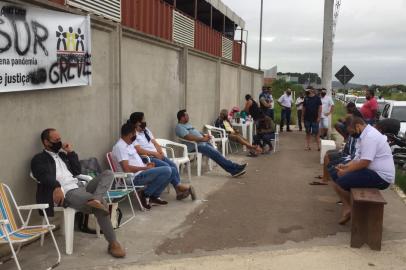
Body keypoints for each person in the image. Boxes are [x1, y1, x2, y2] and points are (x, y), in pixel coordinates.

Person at [31, 129, 126, 258]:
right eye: (56, 140)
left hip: (80, 186)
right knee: (101, 206)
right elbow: (42, 175)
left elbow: (77, 170)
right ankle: (113, 243)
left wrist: (70, 152)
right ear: (46, 142)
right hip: (67, 192)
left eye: (60, 139)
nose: (60, 142)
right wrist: (56, 186)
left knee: (108, 173)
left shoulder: (63, 155)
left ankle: (96, 200)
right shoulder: (39, 159)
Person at [330, 116, 395, 225]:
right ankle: (348, 206)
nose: (351, 134)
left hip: (381, 177)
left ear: (358, 126)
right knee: (334, 174)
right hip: (370, 171)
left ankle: (351, 208)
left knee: (341, 181)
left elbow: (364, 162)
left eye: (351, 132)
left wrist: (346, 172)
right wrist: (345, 167)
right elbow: (357, 159)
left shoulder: (370, 137)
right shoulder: (363, 136)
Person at [128, 112, 195, 201]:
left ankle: (178, 191)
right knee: (168, 168)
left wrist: (160, 151)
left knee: (173, 166)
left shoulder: (146, 130)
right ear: (137, 122)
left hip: (156, 155)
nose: (145, 121)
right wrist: (154, 154)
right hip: (147, 158)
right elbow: (139, 150)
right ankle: (178, 187)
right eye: (143, 119)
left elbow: (154, 142)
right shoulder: (133, 133)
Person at [112, 122, 172, 210]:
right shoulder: (120, 147)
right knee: (167, 170)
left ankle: (153, 197)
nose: (135, 136)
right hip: (134, 178)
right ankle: (145, 194)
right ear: (129, 134)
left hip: (142, 172)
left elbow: (135, 161)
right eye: (134, 134)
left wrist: (146, 165)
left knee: (172, 170)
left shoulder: (129, 144)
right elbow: (127, 169)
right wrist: (145, 168)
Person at [176, 110, 247, 177]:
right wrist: (202, 139)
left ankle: (235, 168)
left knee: (218, 154)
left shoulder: (188, 125)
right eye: (186, 115)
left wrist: (204, 135)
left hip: (202, 143)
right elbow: (189, 137)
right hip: (195, 146)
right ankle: (234, 170)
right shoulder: (179, 127)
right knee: (216, 155)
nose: (188, 116)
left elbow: (197, 132)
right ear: (182, 117)